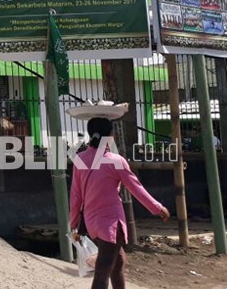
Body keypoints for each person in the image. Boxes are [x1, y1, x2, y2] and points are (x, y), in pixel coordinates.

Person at [70, 117, 170, 289]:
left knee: (118, 263)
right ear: (110, 135)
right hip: (111, 224)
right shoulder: (116, 161)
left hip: (91, 223)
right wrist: (157, 208)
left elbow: (76, 195)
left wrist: (73, 222)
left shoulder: (80, 159)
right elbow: (135, 187)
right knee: (103, 270)